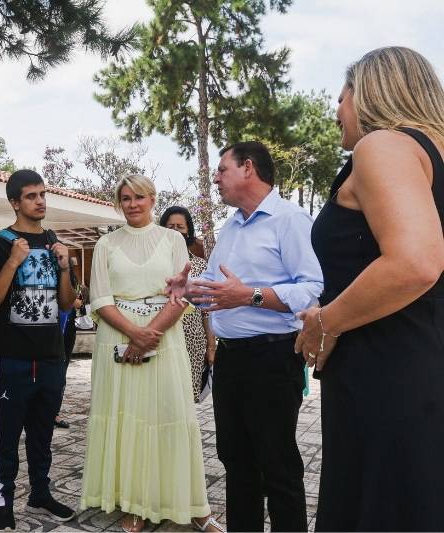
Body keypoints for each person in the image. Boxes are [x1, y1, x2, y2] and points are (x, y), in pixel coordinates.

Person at [295, 46, 444, 531]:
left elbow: (416, 262)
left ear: (372, 94)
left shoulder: (383, 145)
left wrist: (326, 322)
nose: (335, 112)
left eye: (341, 98)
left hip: (388, 376)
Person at [180, 141, 323, 532]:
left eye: (222, 169)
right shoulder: (230, 228)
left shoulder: (289, 219)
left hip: (273, 360)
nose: (216, 177)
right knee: (236, 462)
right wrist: (189, 288)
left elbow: (313, 289)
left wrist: (250, 295)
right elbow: (214, 286)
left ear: (248, 168)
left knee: (277, 466)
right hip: (230, 361)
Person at [80, 174, 221, 533]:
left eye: (139, 197)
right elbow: (100, 298)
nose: (132, 204)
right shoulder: (106, 244)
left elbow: (182, 294)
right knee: (128, 419)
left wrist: (149, 334)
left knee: (171, 415)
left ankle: (193, 505)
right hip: (118, 338)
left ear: (152, 198)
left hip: (164, 337)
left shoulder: (173, 239)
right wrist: (133, 335)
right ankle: (133, 503)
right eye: (125, 198)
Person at [0, 169, 77, 532]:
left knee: (42, 432)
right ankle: (2, 501)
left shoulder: (54, 244)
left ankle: (40, 491)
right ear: (15, 202)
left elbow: (67, 304)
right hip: (11, 357)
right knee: (4, 434)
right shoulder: (0, 245)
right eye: (32, 196)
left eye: (43, 194)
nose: (40, 201)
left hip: (50, 355)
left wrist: (65, 267)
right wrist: (13, 262)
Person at [160, 206, 216, 402]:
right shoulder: (155, 264)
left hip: (192, 340)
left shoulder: (200, 266)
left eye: (180, 227)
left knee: (186, 395)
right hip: (160, 334)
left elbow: (207, 310)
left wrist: (211, 345)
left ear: (189, 231)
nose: (176, 231)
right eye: (170, 226)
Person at [54, 277, 81, 430]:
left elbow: (78, 302)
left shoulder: (69, 277)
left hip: (67, 329)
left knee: (61, 372)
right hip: (51, 327)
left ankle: (55, 412)